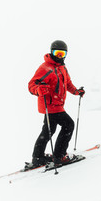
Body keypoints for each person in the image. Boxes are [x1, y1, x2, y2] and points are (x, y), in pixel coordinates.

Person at [27, 40, 85, 168]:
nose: (59, 56)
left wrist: (76, 91)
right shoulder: (45, 68)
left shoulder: (62, 68)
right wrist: (39, 89)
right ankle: (59, 155)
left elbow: (67, 84)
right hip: (51, 105)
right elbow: (32, 85)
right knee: (68, 125)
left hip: (56, 104)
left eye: (62, 53)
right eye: (57, 53)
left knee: (48, 130)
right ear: (51, 52)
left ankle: (38, 157)